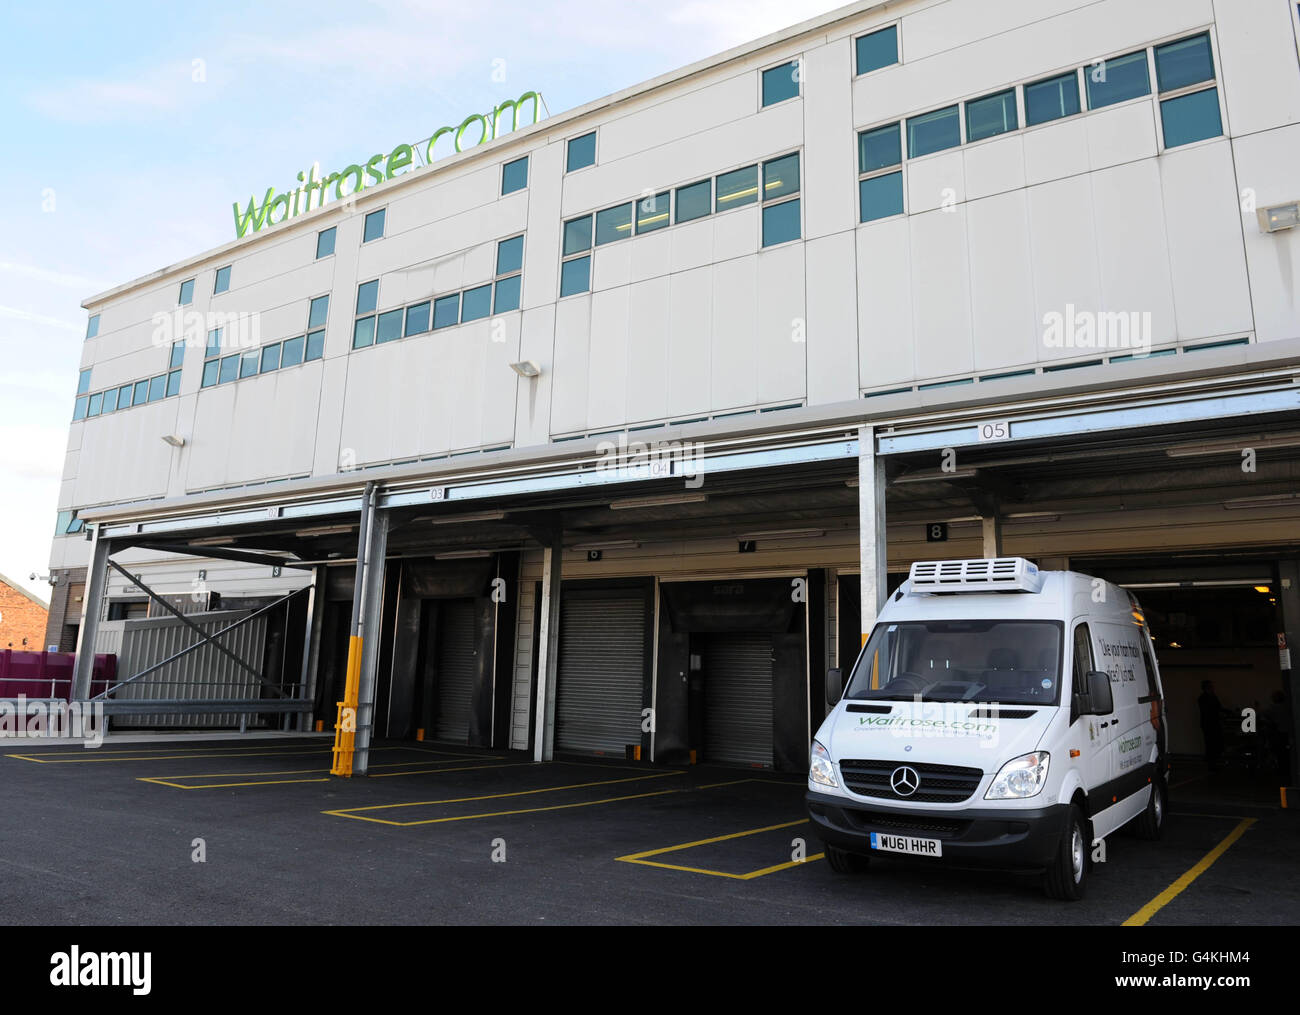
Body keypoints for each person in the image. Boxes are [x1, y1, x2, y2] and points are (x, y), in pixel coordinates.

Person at [1198, 680, 1226, 771]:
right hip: (1209, 724)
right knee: (1210, 743)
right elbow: (1210, 710)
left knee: (1214, 743)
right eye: (1211, 687)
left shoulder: (1212, 697)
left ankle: (1213, 761)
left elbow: (1219, 707)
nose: (1213, 689)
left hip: (1213, 723)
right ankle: (1211, 762)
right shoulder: (1203, 698)